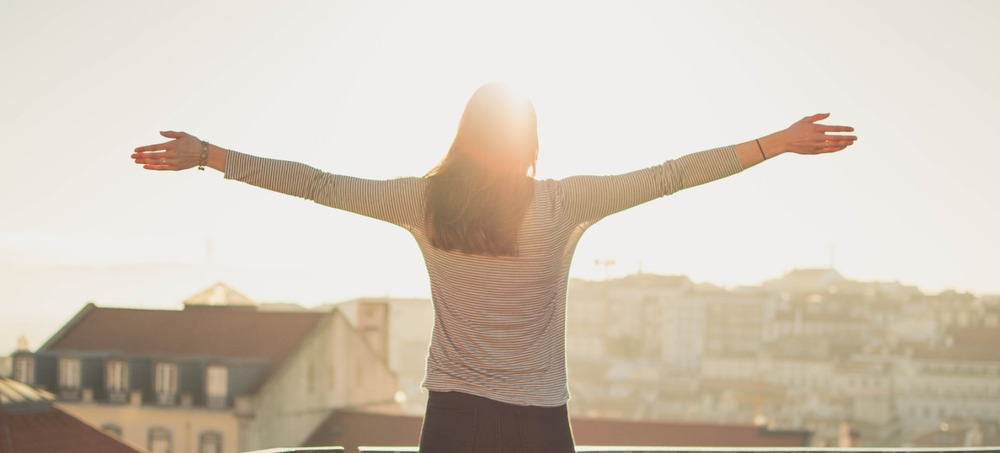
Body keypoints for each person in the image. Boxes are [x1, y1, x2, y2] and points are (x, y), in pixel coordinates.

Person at [132, 83, 856, 452]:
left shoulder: (424, 202)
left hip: (452, 419)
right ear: (530, 140)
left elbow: (316, 182)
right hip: (538, 423)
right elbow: (669, 175)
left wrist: (209, 156)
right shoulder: (563, 203)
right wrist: (777, 142)